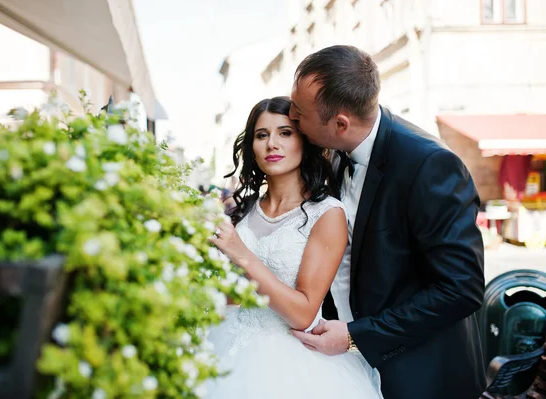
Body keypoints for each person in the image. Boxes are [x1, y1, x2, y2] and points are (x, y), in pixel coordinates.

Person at [288, 45, 486, 399]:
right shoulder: (331, 153)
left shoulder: (429, 166)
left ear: (340, 123)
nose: (291, 116)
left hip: (420, 376)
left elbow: (460, 290)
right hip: (347, 370)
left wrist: (356, 336)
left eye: (299, 112)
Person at [206, 96, 382, 398]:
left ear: (305, 140)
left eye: (285, 133)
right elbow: (232, 293)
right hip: (227, 341)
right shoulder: (241, 211)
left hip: (291, 360)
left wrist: (241, 254)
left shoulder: (326, 214)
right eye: (262, 135)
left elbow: (303, 312)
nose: (272, 143)